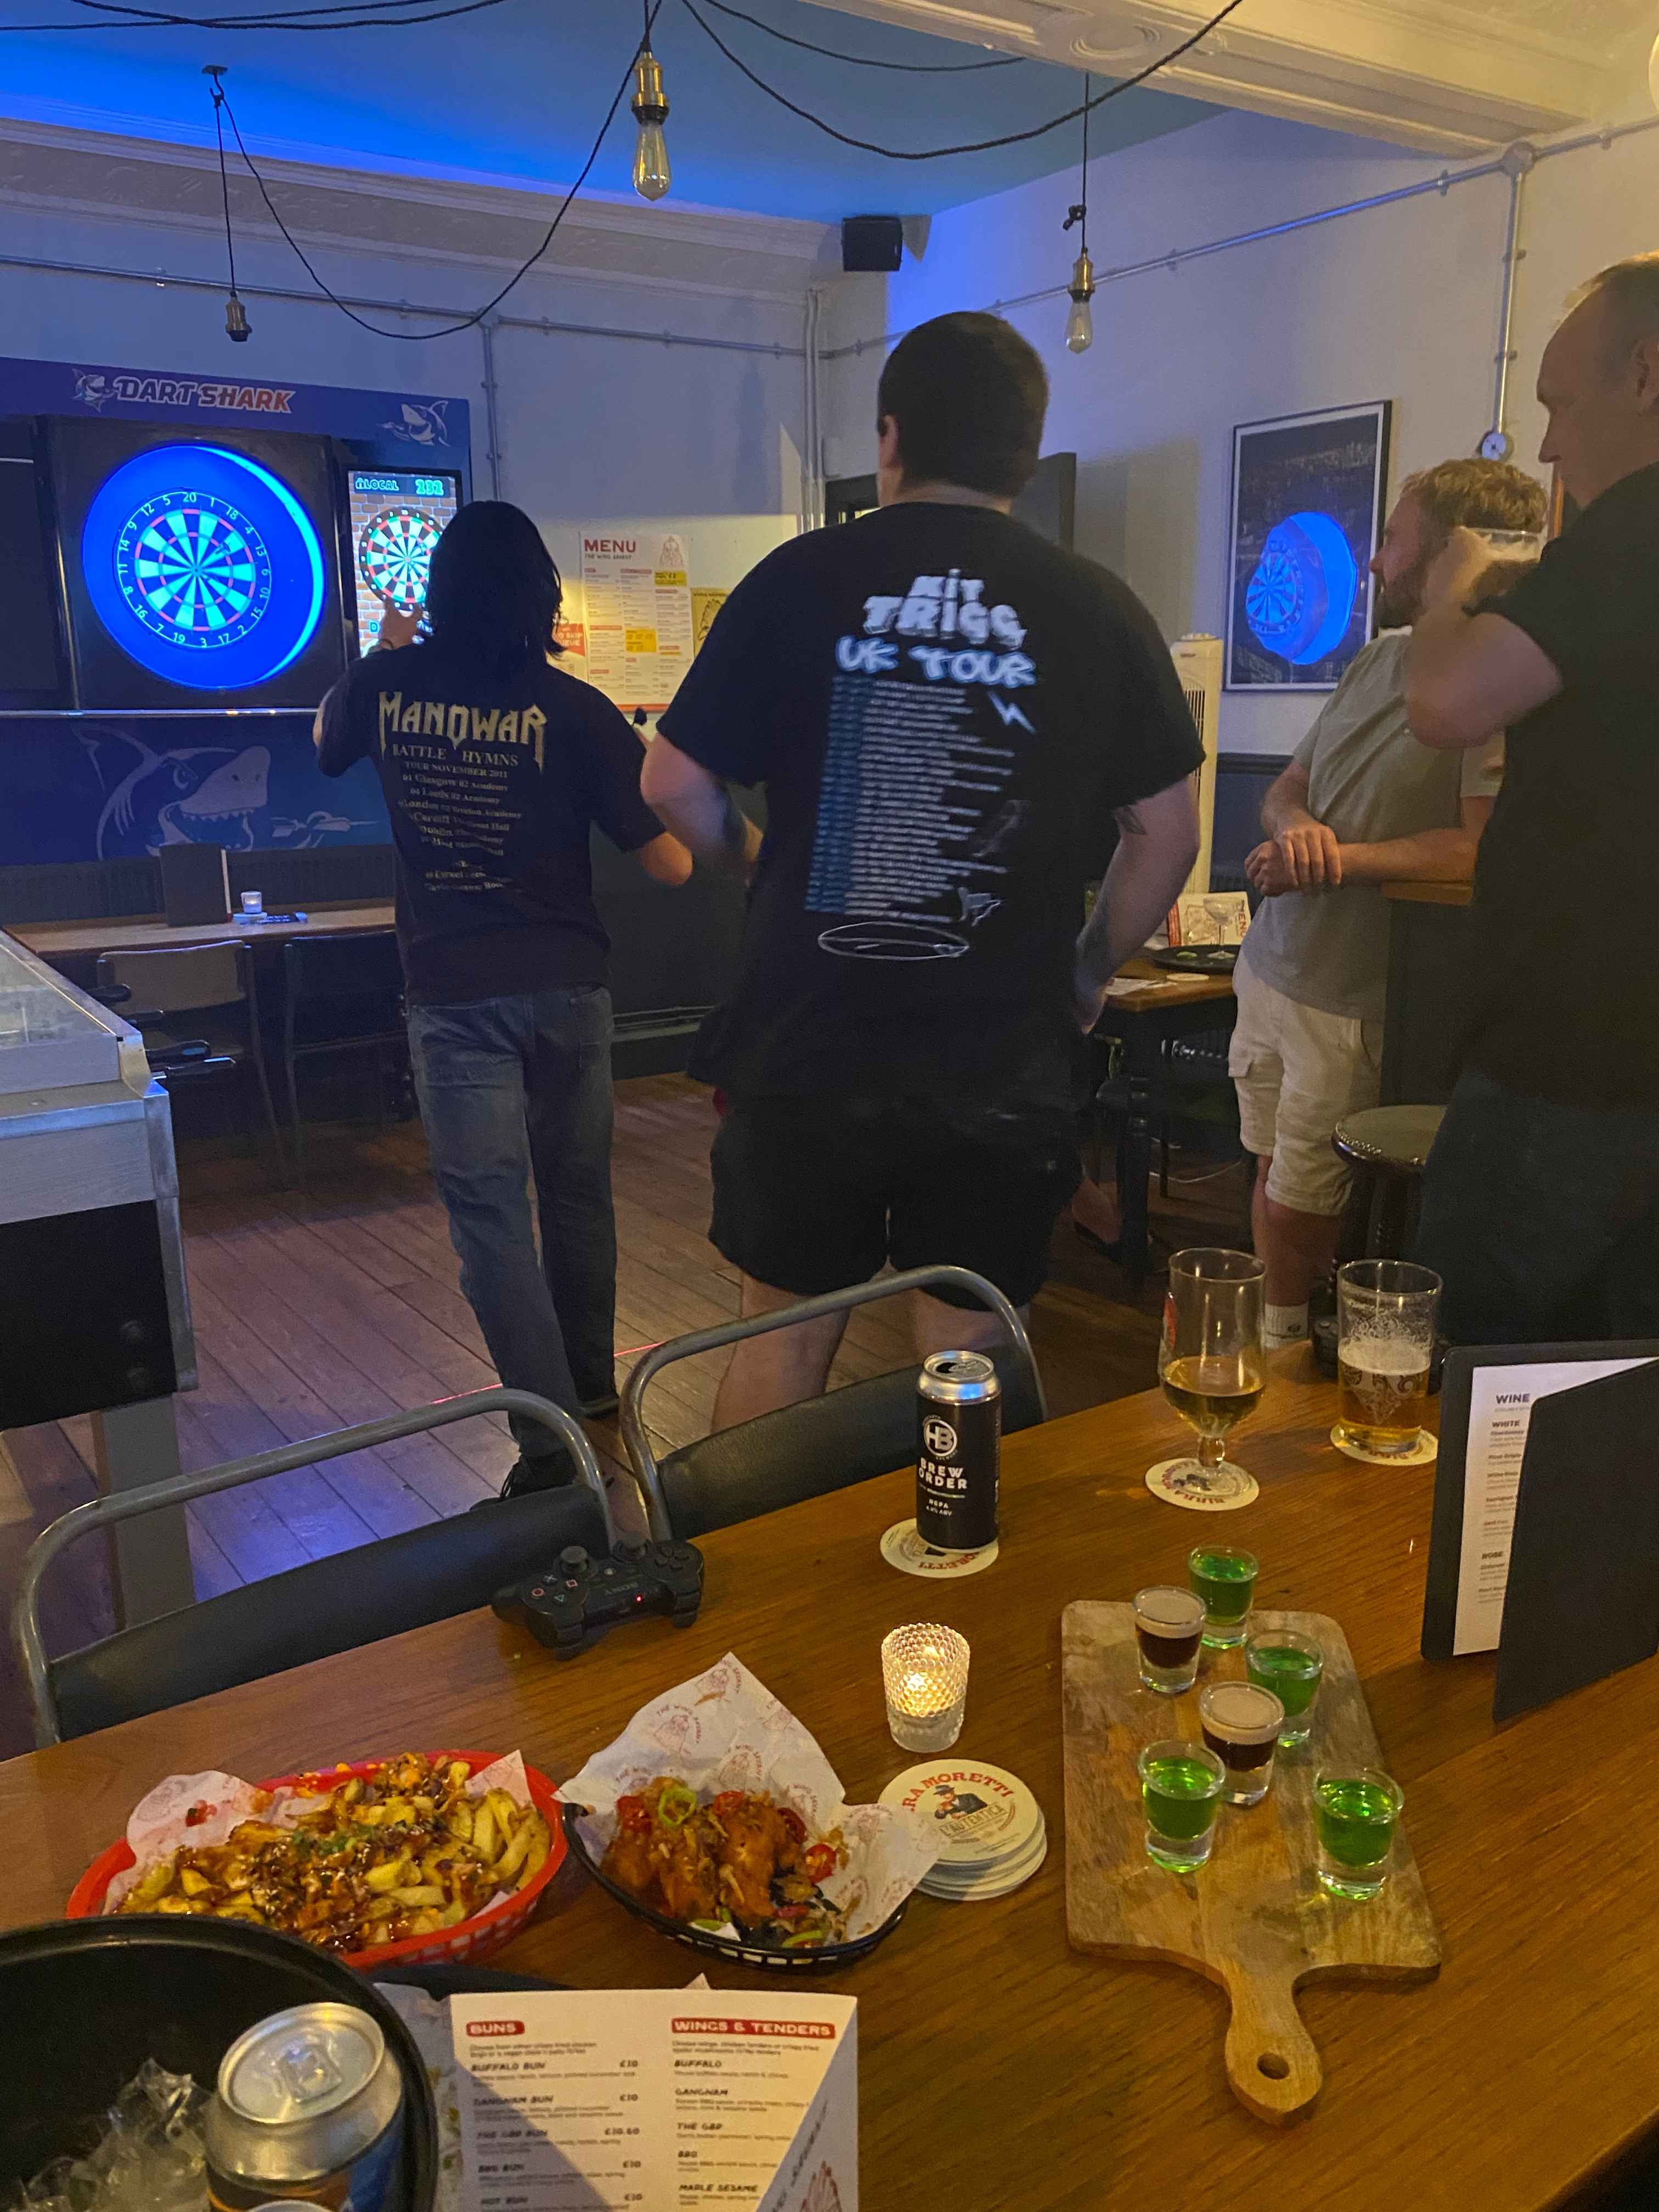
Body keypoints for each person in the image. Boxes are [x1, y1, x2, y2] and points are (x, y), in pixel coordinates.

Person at [640, 311, 1202, 1425]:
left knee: (783, 1331)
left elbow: (670, 783)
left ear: (889, 435)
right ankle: (962, 1538)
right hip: (999, 1051)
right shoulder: (1098, 607)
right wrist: (1085, 972)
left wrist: (756, 863)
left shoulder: (798, 578)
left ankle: (765, 1549)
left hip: (808, 1035)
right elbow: (1168, 835)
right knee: (971, 1346)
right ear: (1026, 454)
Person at [316, 501, 691, 1492]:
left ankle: (548, 1444)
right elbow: (670, 864)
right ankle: (592, 1390)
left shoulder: (386, 685)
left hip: (452, 994)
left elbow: (325, 740)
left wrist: (384, 649)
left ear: (438, 591)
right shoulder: (576, 710)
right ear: (542, 596)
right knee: (577, 1194)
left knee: (489, 1220)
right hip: (567, 987)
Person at [1227, 459, 1548, 1349]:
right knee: (1268, 1169)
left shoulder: (1493, 682)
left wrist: (1331, 862)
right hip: (1274, 964)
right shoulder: (1375, 659)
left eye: (1395, 540)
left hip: (1355, 995)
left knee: (1302, 1198)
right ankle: (1278, 1341)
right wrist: (1296, 827)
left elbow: (1480, 847)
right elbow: (1288, 785)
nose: (1373, 561)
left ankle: (1282, 1354)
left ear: (1453, 552)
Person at [1405, 255, 1659, 1343]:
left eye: (1559, 403)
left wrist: (1450, 593)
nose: (1548, 445)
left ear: (1646, 374)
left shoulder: (1632, 533)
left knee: (1477, 1362)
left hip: (1573, 1054)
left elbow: (1446, 703)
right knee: (1618, 1378)